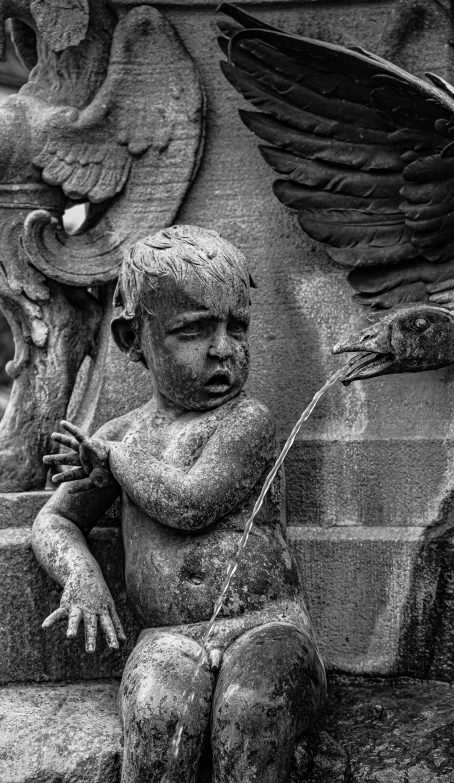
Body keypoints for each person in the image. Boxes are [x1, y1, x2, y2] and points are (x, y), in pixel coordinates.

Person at [32, 225, 326, 783]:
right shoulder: (122, 436)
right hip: (168, 638)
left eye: (236, 327)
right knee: (157, 714)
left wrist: (114, 461)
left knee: (250, 713)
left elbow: (191, 503)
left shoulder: (247, 422)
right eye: (193, 331)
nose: (224, 350)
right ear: (130, 340)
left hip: (264, 627)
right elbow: (56, 519)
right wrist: (81, 575)